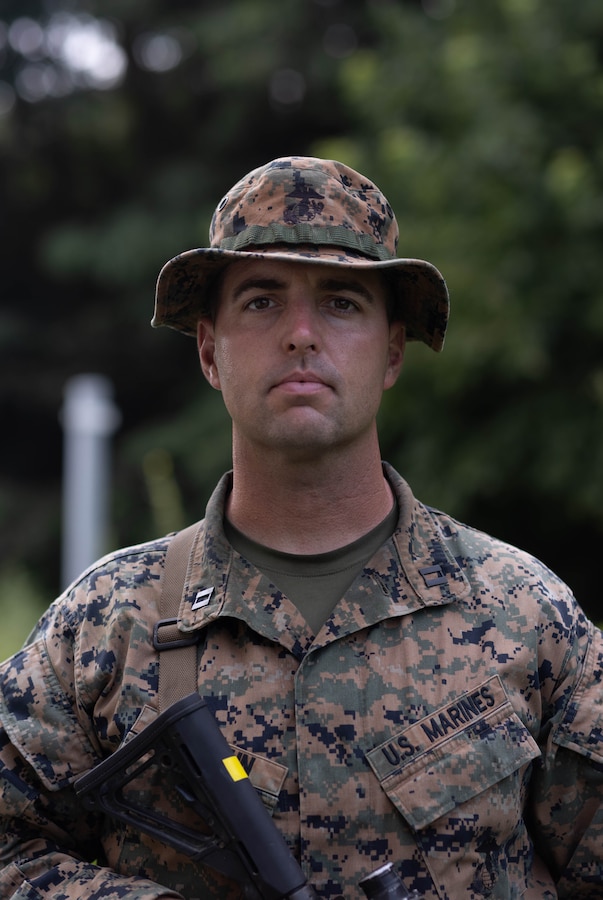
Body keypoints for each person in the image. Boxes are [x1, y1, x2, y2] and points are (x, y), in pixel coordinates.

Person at [0, 156, 601, 900]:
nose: (301, 335)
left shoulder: (523, 613)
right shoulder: (107, 622)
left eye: (342, 302)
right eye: (261, 301)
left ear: (391, 351)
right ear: (209, 350)